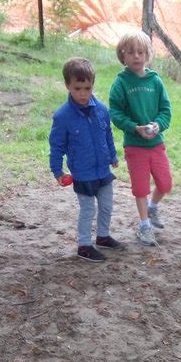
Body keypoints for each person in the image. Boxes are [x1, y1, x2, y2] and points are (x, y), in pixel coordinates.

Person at [49, 58, 121, 263]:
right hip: (83, 173)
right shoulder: (62, 116)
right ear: (67, 85)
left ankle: (103, 237)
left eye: (87, 88)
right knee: (88, 209)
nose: (83, 93)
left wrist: (113, 156)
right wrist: (58, 172)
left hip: (103, 170)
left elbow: (107, 134)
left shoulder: (102, 110)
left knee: (107, 206)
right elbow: (56, 147)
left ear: (93, 85)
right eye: (78, 88)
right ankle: (84, 246)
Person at [109, 31, 172, 247]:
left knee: (165, 183)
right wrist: (135, 128)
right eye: (131, 52)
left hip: (156, 144)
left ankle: (153, 208)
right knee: (141, 188)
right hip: (135, 146)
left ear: (148, 54)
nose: (136, 56)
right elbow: (115, 113)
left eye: (141, 52)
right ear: (122, 56)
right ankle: (144, 225)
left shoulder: (156, 81)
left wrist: (157, 125)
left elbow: (166, 110)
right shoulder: (121, 83)